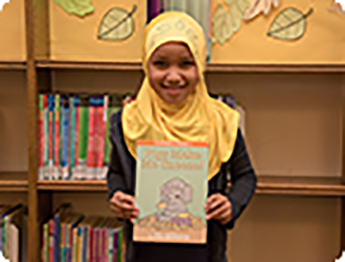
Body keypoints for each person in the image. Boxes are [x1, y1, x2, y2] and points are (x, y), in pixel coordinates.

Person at [106, 11, 257, 262]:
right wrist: (117, 194)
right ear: (146, 65)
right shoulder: (128, 122)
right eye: (161, 64)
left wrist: (231, 204)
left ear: (200, 65)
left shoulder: (222, 121)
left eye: (186, 64)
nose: (173, 76)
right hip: (144, 252)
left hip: (204, 253)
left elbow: (245, 176)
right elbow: (115, 172)